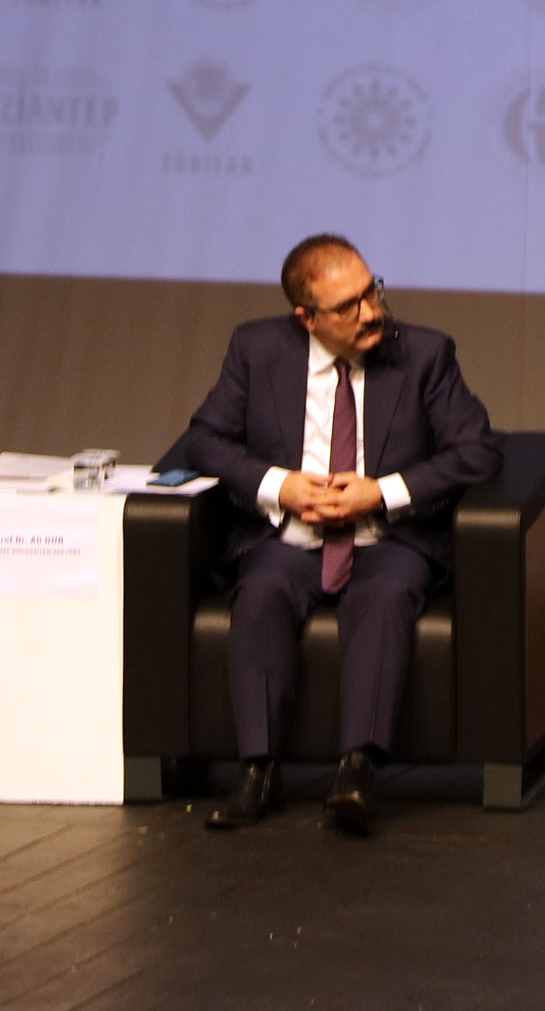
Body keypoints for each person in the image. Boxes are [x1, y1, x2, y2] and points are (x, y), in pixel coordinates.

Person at [161, 233, 498, 837]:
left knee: (386, 597)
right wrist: (279, 485)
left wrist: (383, 491)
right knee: (260, 595)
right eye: (349, 306)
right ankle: (257, 769)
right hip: (288, 537)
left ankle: (356, 770)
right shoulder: (257, 349)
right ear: (306, 318)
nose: (370, 313)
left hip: (386, 539)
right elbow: (204, 440)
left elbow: (478, 451)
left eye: (372, 292)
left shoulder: (425, 355)